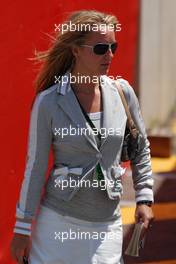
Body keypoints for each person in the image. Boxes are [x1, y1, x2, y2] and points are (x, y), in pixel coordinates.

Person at [10, 9, 154, 264]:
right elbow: (36, 167)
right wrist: (22, 228)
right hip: (57, 225)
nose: (109, 55)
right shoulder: (49, 102)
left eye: (113, 47)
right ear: (75, 50)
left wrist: (145, 197)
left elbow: (140, 148)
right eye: (100, 48)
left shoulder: (123, 93)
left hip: (108, 227)